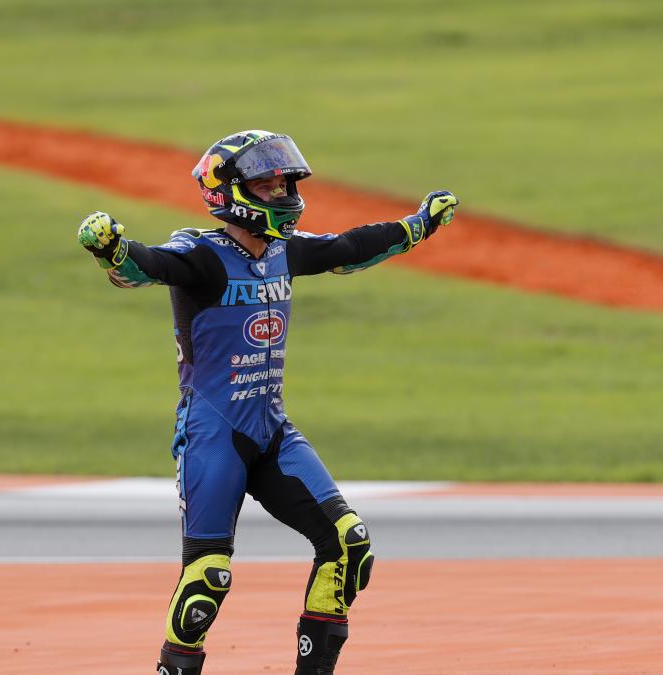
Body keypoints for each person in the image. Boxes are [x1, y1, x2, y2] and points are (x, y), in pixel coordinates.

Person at [76, 129, 458, 674]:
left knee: (348, 548)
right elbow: (148, 266)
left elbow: (350, 247)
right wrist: (112, 250)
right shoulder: (200, 256)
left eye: (283, 180)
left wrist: (418, 225)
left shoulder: (283, 251)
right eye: (265, 181)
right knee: (208, 578)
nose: (281, 191)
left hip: (272, 432)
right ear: (229, 192)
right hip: (214, 436)